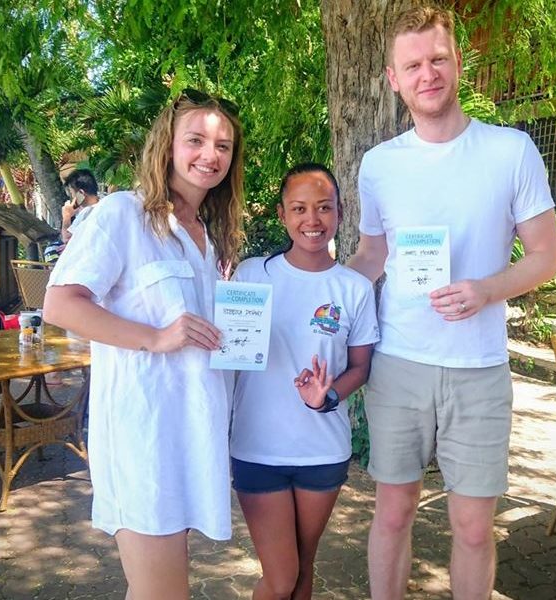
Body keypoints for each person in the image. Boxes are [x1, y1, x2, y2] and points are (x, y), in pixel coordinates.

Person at [348, 6, 556, 600]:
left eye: (438, 59)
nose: (428, 73)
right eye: (413, 65)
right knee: (392, 514)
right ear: (393, 78)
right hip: (399, 364)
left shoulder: (511, 151)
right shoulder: (379, 165)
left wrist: (485, 290)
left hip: (479, 367)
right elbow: (371, 256)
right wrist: (313, 296)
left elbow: (545, 256)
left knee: (472, 528)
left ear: (458, 63)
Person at [43, 88, 245, 600]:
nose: (210, 154)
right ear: (167, 146)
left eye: (223, 145)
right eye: (196, 140)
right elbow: (61, 304)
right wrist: (154, 338)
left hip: (194, 432)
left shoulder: (207, 235)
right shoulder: (123, 214)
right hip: (144, 439)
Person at [230, 163, 379, 600]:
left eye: (323, 208)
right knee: (281, 577)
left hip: (322, 450)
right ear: (282, 214)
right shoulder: (252, 275)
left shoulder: (353, 288)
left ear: (339, 213)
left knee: (303, 566)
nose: (312, 220)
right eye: (299, 208)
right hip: (257, 448)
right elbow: (228, 350)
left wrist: (327, 396)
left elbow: (360, 368)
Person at [61, 168, 100, 243]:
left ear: (81, 193)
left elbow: (67, 239)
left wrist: (66, 216)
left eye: (72, 193)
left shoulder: (87, 212)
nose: (72, 197)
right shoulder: (105, 202)